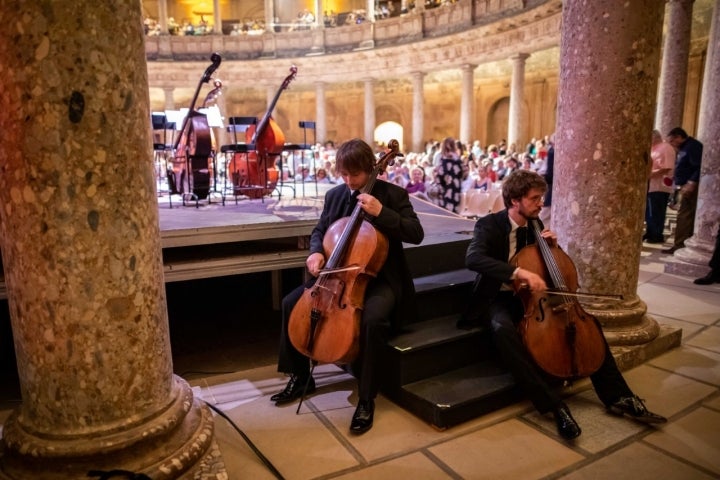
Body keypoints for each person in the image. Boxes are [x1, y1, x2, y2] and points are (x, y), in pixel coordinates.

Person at [460, 170, 666, 440]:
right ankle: (554, 406)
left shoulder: (536, 224)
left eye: (541, 197)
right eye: (534, 198)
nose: (540, 203)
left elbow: (551, 269)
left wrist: (553, 249)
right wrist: (518, 273)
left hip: (538, 298)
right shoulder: (489, 225)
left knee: (588, 324)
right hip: (498, 296)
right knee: (503, 331)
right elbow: (473, 259)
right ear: (514, 201)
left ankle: (619, 396)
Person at [271, 139, 425, 434]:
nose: (349, 181)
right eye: (343, 175)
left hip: (380, 278)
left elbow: (416, 233)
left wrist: (382, 213)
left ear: (371, 169)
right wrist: (316, 252)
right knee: (292, 302)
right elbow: (320, 230)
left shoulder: (393, 195)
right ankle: (301, 376)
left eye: (354, 175)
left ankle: (367, 398)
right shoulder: (335, 196)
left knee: (372, 319)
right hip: (337, 275)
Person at [662, 127, 703, 254]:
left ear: (679, 137)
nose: (671, 145)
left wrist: (691, 182)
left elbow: (698, 165)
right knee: (683, 215)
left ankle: (680, 246)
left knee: (684, 216)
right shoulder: (684, 148)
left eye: (672, 141)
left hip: (690, 186)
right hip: (683, 185)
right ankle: (680, 244)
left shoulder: (692, 146)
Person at [644, 130, 675, 244]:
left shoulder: (665, 148)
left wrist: (649, 175)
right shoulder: (654, 147)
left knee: (656, 211)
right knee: (650, 211)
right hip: (652, 185)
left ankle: (656, 235)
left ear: (654, 137)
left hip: (659, 186)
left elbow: (667, 167)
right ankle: (650, 232)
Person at [434, 137, 464, 213]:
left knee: (446, 210)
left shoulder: (445, 158)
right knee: (452, 210)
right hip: (453, 187)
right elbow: (461, 173)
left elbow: (441, 173)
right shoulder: (457, 158)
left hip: (448, 187)